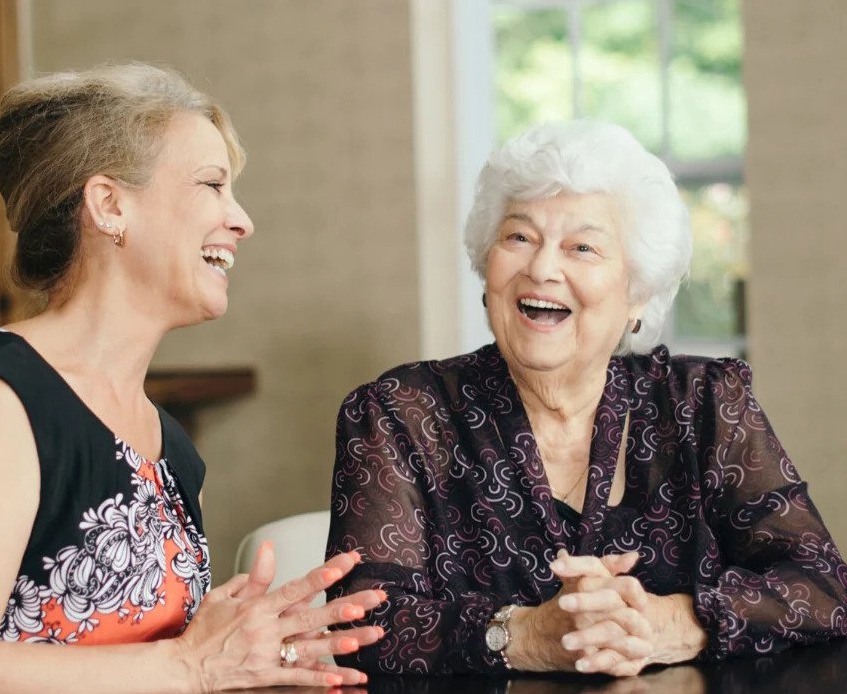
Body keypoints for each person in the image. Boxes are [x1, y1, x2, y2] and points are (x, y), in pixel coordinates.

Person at [0, 63, 385, 693]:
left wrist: (251, 660)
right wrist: (195, 665)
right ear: (109, 205)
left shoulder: (171, 448)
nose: (242, 220)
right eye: (211, 185)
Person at [326, 121, 847, 678]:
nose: (543, 268)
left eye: (583, 247)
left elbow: (822, 586)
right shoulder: (400, 414)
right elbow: (359, 626)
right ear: (487, 266)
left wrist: (671, 622)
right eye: (519, 237)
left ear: (637, 293)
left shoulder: (702, 404)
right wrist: (522, 634)